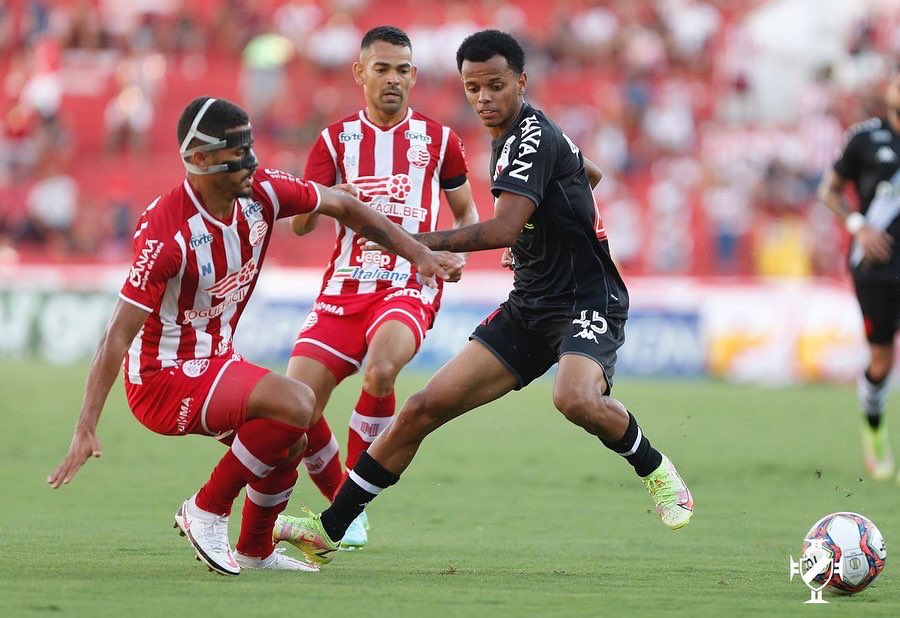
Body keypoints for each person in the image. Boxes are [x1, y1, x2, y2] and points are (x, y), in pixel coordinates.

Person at [274, 30, 694, 566]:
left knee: (575, 398)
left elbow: (501, 229)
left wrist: (412, 242)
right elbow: (588, 172)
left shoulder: (530, 137)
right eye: (473, 88)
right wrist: (554, 225)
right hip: (531, 303)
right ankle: (331, 528)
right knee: (422, 408)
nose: (484, 98)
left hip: (586, 298)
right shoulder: (513, 136)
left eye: (496, 85)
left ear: (521, 82)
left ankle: (656, 470)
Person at [46, 96, 463, 576]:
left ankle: (254, 549)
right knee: (299, 402)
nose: (251, 162)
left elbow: (345, 205)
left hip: (217, 360)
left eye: (250, 148)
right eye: (237, 152)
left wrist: (417, 254)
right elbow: (116, 336)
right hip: (162, 378)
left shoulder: (263, 190)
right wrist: (85, 426)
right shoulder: (166, 234)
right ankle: (206, 508)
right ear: (199, 159)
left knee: (291, 441)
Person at [283, 25, 478, 549]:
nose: (393, 79)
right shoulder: (333, 140)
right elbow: (298, 223)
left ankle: (352, 504)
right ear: (360, 73)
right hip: (344, 287)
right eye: (382, 68)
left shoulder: (440, 140)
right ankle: (343, 506)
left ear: (413, 76)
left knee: (382, 368)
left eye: (402, 70)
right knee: (295, 408)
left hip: (408, 282)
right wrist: (327, 197)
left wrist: (457, 254)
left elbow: (466, 212)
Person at [817, 68, 900, 481]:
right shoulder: (865, 138)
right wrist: (858, 227)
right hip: (877, 270)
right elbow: (828, 190)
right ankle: (875, 433)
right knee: (881, 361)